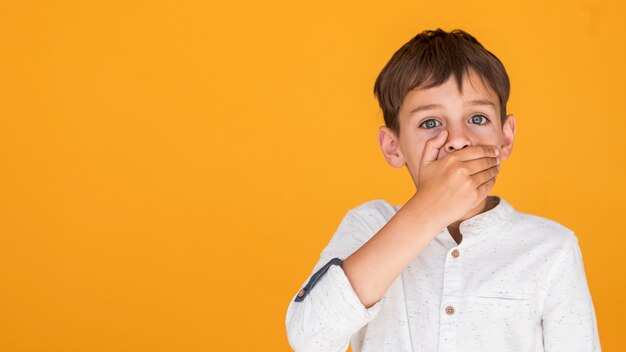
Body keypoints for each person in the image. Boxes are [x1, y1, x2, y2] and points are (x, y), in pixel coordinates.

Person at [285, 28, 601, 352]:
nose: (457, 138)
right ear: (393, 147)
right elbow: (309, 337)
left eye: (477, 118)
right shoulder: (368, 226)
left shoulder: (552, 249)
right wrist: (431, 207)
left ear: (505, 138)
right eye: (430, 123)